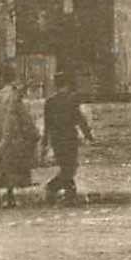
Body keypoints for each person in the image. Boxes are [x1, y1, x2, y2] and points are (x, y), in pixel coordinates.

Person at [0, 70, 38, 208]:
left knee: (2, 165)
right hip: (12, 136)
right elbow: (23, 116)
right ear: (13, 79)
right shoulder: (14, 97)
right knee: (11, 168)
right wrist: (33, 132)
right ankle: (6, 194)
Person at [40, 72, 95, 205]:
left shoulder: (50, 102)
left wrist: (45, 142)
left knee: (66, 167)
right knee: (70, 168)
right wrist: (88, 135)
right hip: (69, 138)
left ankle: (70, 195)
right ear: (67, 85)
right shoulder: (72, 99)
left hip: (57, 139)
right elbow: (79, 118)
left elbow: (47, 124)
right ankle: (53, 187)